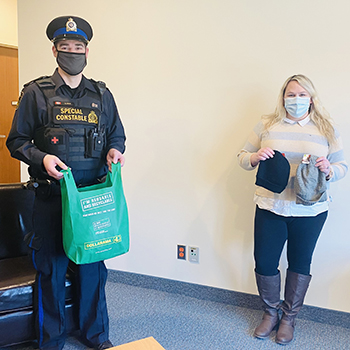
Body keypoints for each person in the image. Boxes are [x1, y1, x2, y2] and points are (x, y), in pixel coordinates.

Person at [6, 16, 126, 350]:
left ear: (87, 51)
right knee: (52, 272)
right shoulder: (36, 93)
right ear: (55, 50)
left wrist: (115, 150)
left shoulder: (102, 94)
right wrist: (41, 158)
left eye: (78, 47)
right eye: (65, 47)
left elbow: (117, 134)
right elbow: (16, 141)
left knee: (92, 270)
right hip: (51, 199)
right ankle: (52, 340)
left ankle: (96, 336)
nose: (72, 52)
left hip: (91, 199)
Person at [237, 74, 347, 345]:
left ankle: (288, 317)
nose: (295, 100)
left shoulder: (326, 128)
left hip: (310, 211)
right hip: (270, 206)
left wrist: (328, 169)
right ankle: (270, 313)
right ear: (282, 97)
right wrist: (254, 157)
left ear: (311, 98)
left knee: (300, 263)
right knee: (264, 262)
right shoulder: (267, 124)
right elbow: (242, 156)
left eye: (301, 95)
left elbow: (343, 167)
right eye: (290, 94)